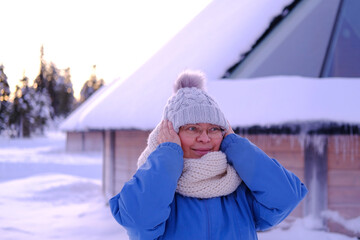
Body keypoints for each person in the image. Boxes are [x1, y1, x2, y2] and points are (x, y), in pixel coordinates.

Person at [109, 70, 308, 239]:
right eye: (193, 128)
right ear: (170, 134)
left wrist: (235, 145)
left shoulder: (238, 188)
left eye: (213, 129)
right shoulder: (156, 184)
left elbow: (285, 197)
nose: (205, 138)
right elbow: (139, 222)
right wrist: (168, 155)